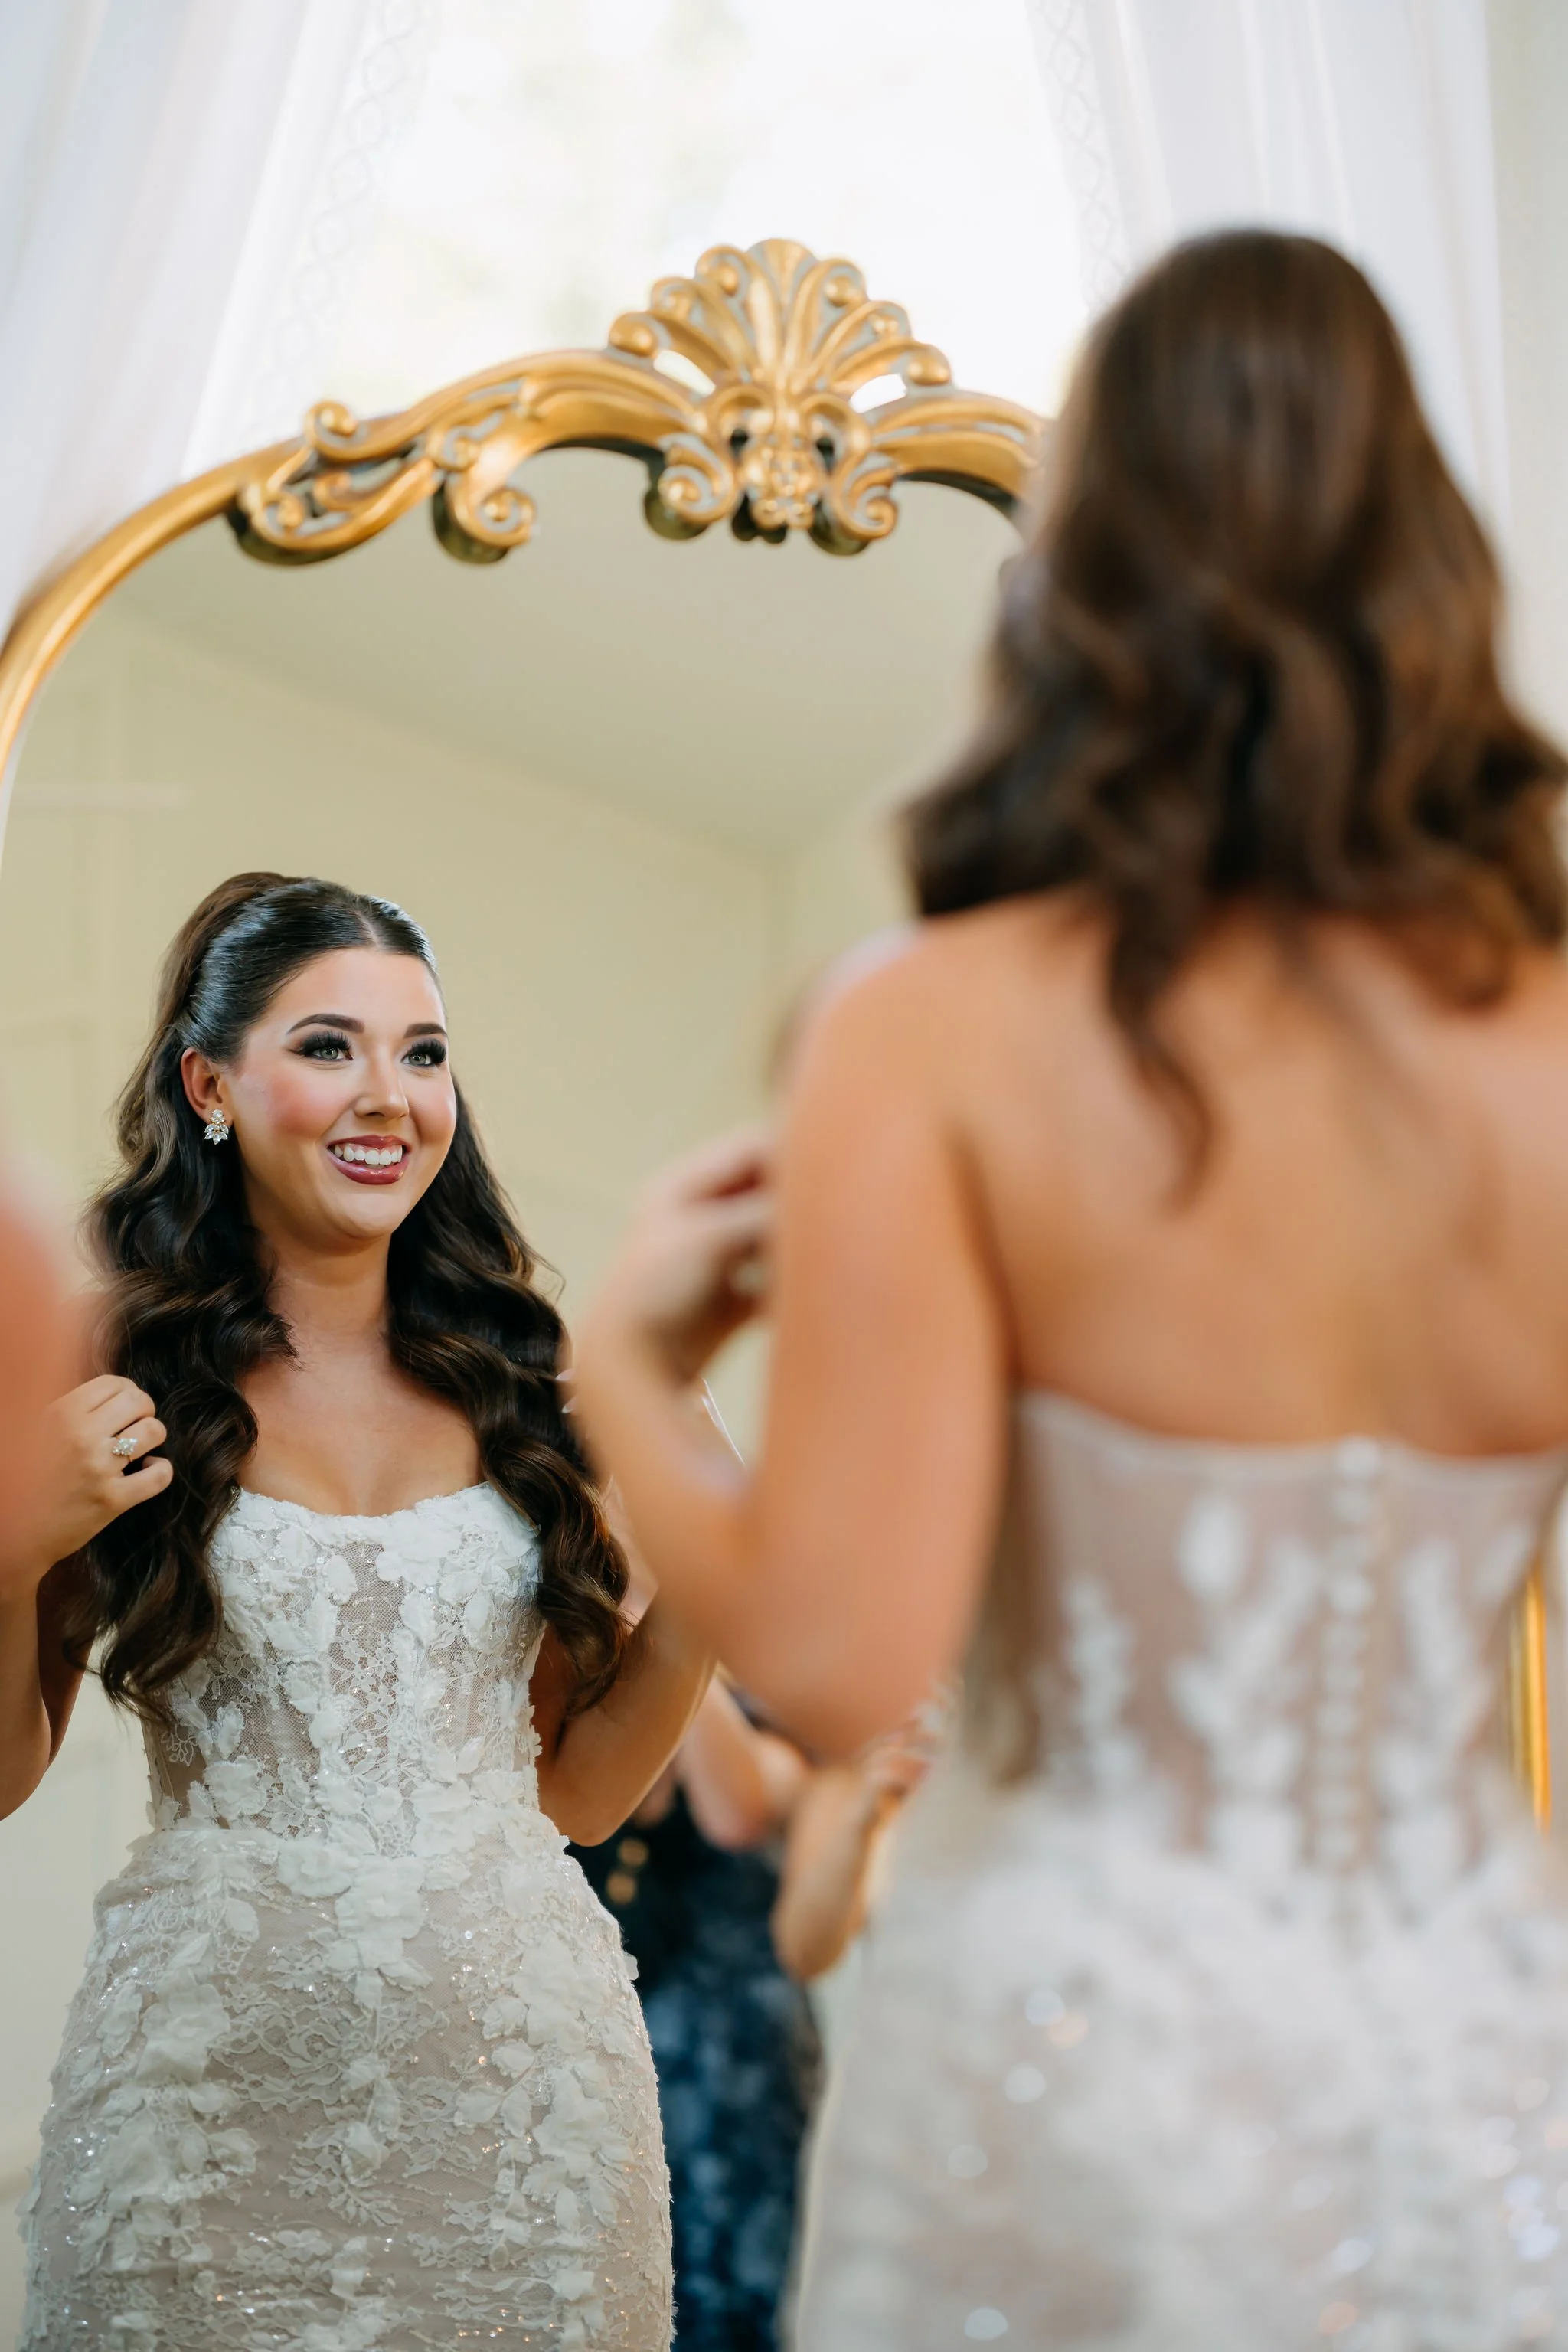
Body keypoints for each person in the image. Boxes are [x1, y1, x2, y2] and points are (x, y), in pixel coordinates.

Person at [573, 229, 1568, 2349]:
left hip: (1066, 2056)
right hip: (1489, 2044)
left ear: (1083, 554)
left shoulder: (936, 1024)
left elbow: (840, 1670)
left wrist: (628, 1374)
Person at [7, 872, 707, 2350]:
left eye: (424, 1051)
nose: (387, 1095)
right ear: (210, 1081)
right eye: (329, 1046)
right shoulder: (109, 1370)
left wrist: (717, 1581)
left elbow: (576, 1793)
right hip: (201, 2106)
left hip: (525, 2105)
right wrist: (11, 1545)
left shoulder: (533, 1380)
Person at [571, 1676, 819, 2351]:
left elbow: (736, 1813)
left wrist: (683, 1640)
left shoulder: (771, 1710)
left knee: (742, 2243)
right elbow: (633, 1803)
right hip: (640, 1997)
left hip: (738, 2024)